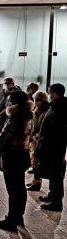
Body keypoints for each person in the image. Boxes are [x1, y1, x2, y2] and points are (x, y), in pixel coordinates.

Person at [0, 90, 33, 232]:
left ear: (15, 102)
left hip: (12, 155)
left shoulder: (15, 117)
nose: (7, 102)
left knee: (13, 189)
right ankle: (18, 215)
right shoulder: (28, 115)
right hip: (23, 154)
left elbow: (4, 136)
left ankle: (11, 219)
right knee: (20, 188)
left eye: (9, 100)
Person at [35, 83, 67, 211]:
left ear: (55, 93)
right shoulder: (56, 106)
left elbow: (56, 130)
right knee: (53, 172)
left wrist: (44, 143)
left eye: (50, 92)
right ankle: (52, 195)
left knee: (56, 174)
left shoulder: (60, 108)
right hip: (53, 146)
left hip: (54, 147)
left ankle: (56, 202)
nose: (49, 95)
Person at [0, 77, 19, 171]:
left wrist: (0, 114)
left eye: (8, 83)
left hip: (6, 119)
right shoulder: (2, 92)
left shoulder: (15, 93)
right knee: (0, 139)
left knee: (5, 142)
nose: (6, 85)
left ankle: (2, 162)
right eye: (5, 83)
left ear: (12, 83)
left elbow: (9, 106)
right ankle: (1, 161)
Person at [25, 91, 50, 191]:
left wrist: (34, 136)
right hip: (34, 140)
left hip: (39, 140)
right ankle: (35, 182)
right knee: (34, 162)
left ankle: (37, 183)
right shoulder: (37, 110)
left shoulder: (46, 112)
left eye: (39, 100)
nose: (36, 102)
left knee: (37, 163)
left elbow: (42, 128)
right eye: (36, 100)